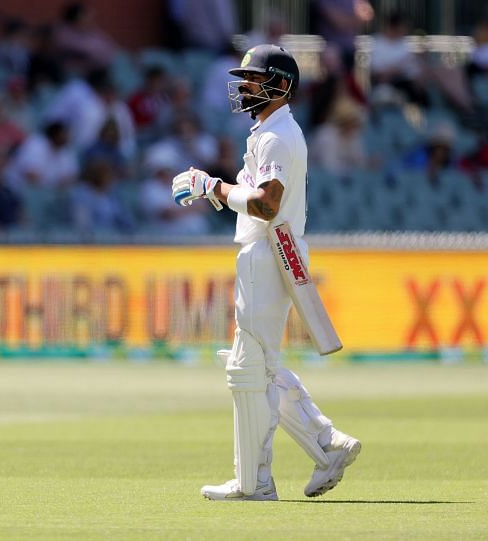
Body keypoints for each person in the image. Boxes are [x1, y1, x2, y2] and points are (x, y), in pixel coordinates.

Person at [171, 45, 360, 501]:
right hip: (273, 251)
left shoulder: (278, 137)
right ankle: (326, 444)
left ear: (280, 86)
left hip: (268, 251)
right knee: (258, 367)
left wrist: (211, 186)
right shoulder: (268, 131)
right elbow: (253, 195)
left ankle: (255, 482)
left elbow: (267, 204)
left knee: (248, 369)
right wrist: (215, 191)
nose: (245, 87)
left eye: (254, 80)